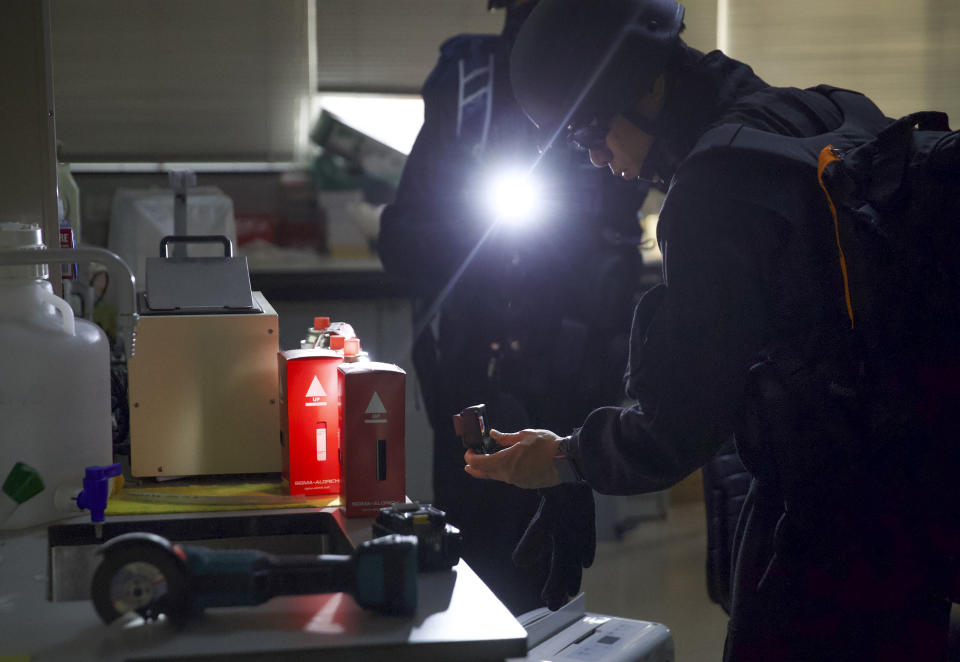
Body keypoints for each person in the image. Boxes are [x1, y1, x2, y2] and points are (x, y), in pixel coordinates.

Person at [462, 0, 957, 658]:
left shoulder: (715, 189)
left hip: (821, 539)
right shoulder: (827, 110)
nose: (599, 159)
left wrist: (563, 457)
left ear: (642, 87)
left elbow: (673, 430)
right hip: (914, 510)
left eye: (590, 134)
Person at [378, 0, 648, 615]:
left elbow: (620, 240)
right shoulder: (469, 84)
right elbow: (400, 237)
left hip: (569, 376)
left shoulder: (608, 71)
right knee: (473, 563)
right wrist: (472, 234)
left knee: (554, 573)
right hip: (474, 373)